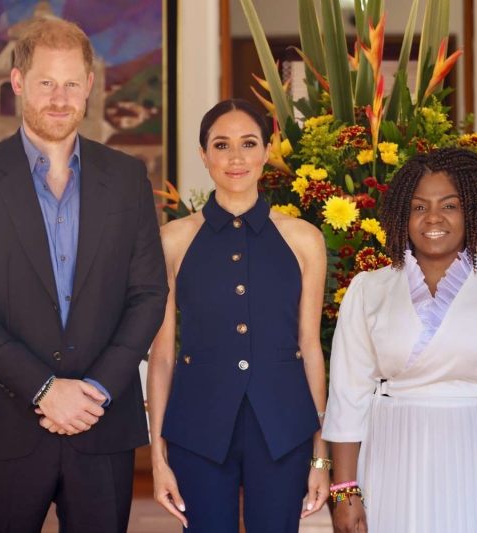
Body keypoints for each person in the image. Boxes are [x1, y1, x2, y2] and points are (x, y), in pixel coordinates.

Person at [0, 18, 167, 532]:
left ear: (89, 86)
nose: (59, 98)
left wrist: (96, 391)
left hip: (100, 421)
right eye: (45, 83)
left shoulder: (128, 178)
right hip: (0, 423)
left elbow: (149, 294)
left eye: (71, 83)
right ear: (17, 82)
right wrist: (45, 389)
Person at [323, 148, 477, 533]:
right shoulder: (369, 289)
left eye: (449, 205)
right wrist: (345, 489)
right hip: (391, 458)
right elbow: (348, 397)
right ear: (402, 214)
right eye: (418, 207)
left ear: (473, 211)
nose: (433, 218)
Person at [146, 99, 330, 532]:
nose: (235, 157)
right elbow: (162, 356)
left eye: (248, 143)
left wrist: (321, 456)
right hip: (197, 429)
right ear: (203, 155)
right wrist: (157, 458)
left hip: (285, 431)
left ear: (267, 151)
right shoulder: (171, 240)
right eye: (221, 144)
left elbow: (311, 349)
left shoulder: (305, 239)